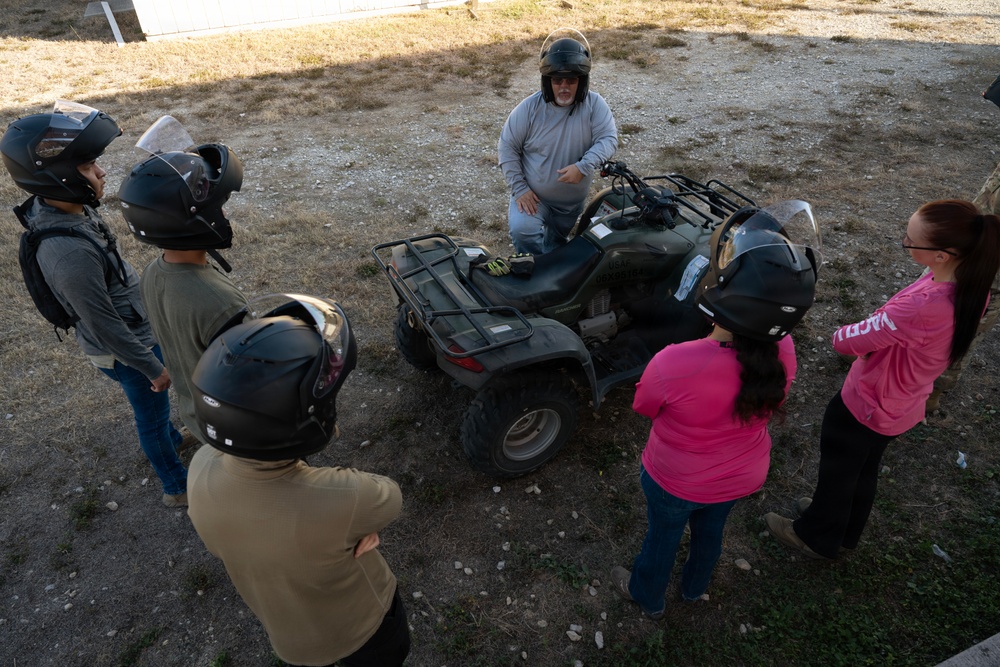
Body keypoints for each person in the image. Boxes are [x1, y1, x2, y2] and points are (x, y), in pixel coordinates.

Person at [611, 202, 820, 618]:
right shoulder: (785, 350)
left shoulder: (675, 361)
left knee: (661, 539)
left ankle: (648, 597)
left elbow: (644, 406)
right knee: (711, 533)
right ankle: (694, 589)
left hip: (675, 479)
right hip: (741, 475)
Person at [766, 200, 1000, 560]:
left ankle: (816, 536)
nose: (905, 242)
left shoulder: (922, 306)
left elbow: (846, 342)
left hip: (868, 404)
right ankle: (844, 530)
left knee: (838, 471)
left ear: (942, 255)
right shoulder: (971, 283)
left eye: (911, 241)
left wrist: (847, 329)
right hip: (902, 404)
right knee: (861, 469)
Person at [186, 294, 409, 667]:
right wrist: (347, 526)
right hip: (365, 631)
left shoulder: (200, 466)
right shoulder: (344, 498)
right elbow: (390, 497)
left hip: (291, 641)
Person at [0, 101, 189, 507]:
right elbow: (103, 323)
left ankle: (175, 439)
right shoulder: (68, 255)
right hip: (126, 349)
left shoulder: (64, 204)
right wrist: (151, 366)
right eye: (87, 167)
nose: (101, 172)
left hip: (131, 334)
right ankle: (176, 487)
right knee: (151, 419)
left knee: (157, 416)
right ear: (59, 178)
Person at [118, 116, 249, 446]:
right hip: (236, 427)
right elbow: (250, 377)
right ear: (193, 224)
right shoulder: (220, 302)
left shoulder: (153, 272)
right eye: (221, 208)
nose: (226, 216)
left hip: (196, 411)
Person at [498, 28, 618, 255]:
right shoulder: (529, 108)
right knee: (523, 232)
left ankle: (552, 254)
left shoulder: (595, 105)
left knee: (557, 241)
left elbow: (609, 138)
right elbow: (507, 147)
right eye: (557, 80)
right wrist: (520, 188)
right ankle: (535, 266)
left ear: (582, 82)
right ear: (547, 81)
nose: (564, 86)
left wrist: (584, 166)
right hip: (534, 196)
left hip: (570, 204)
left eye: (571, 80)